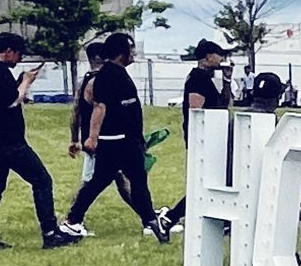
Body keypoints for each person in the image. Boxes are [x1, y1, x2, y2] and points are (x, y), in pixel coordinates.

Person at [0, 32, 81, 251]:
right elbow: (10, 100)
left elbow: (6, 96)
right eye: (19, 54)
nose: (19, 59)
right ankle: (50, 233)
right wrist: (26, 82)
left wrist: (22, 83)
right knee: (42, 180)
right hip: (8, 143)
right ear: (8, 51)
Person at [63, 32, 167, 243]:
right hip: (119, 142)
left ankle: (150, 221)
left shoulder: (118, 74)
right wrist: (92, 138)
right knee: (129, 182)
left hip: (126, 140)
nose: (134, 53)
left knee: (110, 181)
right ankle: (151, 222)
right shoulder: (107, 77)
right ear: (121, 53)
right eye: (131, 49)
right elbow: (99, 108)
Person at [157, 39, 232, 238]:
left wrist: (227, 81)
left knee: (215, 180)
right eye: (219, 55)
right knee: (206, 181)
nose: (222, 59)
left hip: (213, 136)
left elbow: (224, 104)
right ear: (208, 57)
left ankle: (221, 219)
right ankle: (171, 217)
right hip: (203, 138)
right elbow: (195, 110)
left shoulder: (207, 78)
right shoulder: (198, 78)